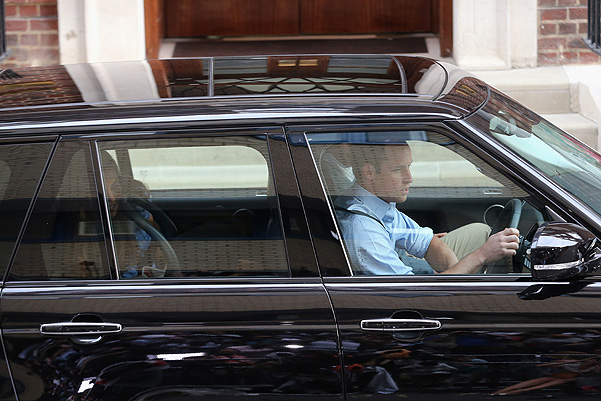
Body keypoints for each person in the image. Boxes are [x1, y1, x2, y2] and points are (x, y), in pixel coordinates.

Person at [335, 144, 520, 275]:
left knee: (480, 231)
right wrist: (481, 256)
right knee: (485, 244)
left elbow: (429, 242)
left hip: (407, 271)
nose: (410, 178)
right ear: (369, 172)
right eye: (398, 169)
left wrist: (458, 274)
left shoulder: (375, 203)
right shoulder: (363, 229)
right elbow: (415, 297)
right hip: (407, 304)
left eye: (409, 167)